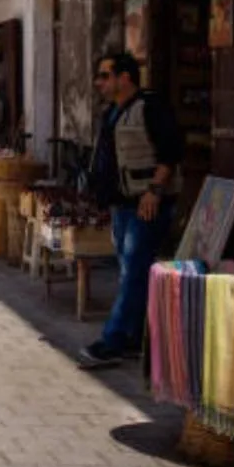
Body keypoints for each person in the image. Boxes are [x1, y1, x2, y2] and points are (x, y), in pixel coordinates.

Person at [78, 51, 183, 369]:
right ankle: (134, 339)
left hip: (145, 204)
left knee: (134, 272)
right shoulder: (111, 112)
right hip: (121, 205)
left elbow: (171, 151)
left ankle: (112, 341)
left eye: (104, 75)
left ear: (125, 77)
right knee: (130, 273)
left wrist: (154, 190)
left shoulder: (150, 107)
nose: (99, 82)